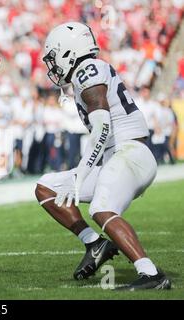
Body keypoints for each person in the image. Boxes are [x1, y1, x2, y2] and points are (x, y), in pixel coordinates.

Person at [35, 22, 171, 290]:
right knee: (47, 187)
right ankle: (95, 244)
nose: (53, 66)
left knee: (100, 207)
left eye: (54, 58)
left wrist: (82, 173)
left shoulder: (88, 70)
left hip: (130, 152)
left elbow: (103, 127)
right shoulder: (84, 74)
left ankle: (151, 274)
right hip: (117, 156)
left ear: (68, 52)